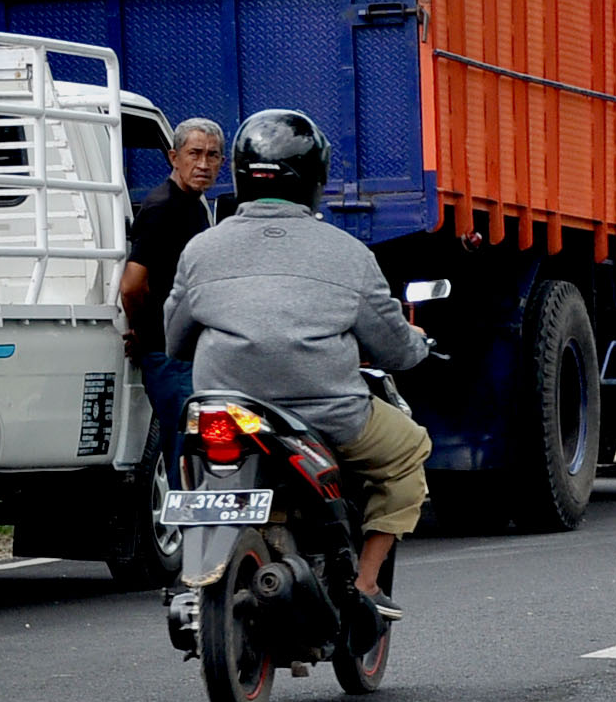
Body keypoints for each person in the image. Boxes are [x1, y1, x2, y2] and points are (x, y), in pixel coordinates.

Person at [163, 109, 431, 621]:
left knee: (193, 458)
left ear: (238, 171)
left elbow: (175, 340)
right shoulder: (349, 254)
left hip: (224, 412)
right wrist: (417, 344)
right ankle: (367, 583)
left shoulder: (201, 249)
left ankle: (194, 571)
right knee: (409, 450)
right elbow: (396, 348)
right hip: (327, 417)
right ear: (316, 178)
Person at [121, 117, 225, 479]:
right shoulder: (163, 207)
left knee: (200, 454)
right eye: (194, 153)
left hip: (191, 353)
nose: (203, 164)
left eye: (213, 156)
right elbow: (132, 284)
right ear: (173, 157)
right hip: (169, 356)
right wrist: (142, 331)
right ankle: (185, 534)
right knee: (185, 456)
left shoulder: (193, 204)